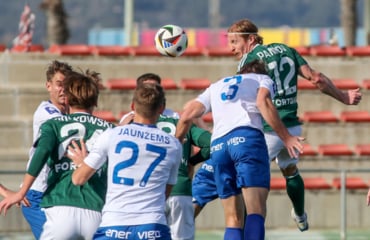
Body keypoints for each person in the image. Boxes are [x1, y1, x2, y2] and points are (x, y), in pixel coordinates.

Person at [227, 18, 362, 232]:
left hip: (268, 129)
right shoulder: (287, 50)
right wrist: (344, 96)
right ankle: (300, 214)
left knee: (246, 184)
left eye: (235, 42)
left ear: (251, 39)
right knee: (290, 171)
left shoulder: (249, 60)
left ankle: (245, 232)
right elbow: (316, 78)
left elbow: (245, 97)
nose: (231, 48)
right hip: (292, 128)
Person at [175, 60, 304, 240]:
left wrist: (175, 146)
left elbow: (188, 113)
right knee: (255, 212)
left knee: (233, 219)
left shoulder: (217, 85)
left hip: (218, 145)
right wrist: (286, 137)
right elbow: (262, 102)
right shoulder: (262, 79)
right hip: (247, 139)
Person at [0, 69, 114, 239]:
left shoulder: (54, 124)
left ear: (67, 98)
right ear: (96, 101)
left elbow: (42, 152)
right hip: (95, 207)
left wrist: (21, 191)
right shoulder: (111, 130)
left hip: (60, 205)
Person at [68, 83, 183, 240]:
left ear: (132, 106)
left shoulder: (112, 135)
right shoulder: (173, 144)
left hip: (114, 224)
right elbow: (165, 192)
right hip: (153, 225)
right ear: (161, 109)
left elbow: (78, 179)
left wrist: (83, 162)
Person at [119, 73, 212, 240]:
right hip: (179, 189)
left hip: (148, 192)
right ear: (161, 104)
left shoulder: (132, 125)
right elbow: (211, 143)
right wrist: (191, 161)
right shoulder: (178, 122)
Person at [0, 60, 73, 239]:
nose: (63, 89)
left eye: (68, 85)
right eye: (59, 84)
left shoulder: (69, 114)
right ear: (48, 86)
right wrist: (11, 191)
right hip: (38, 196)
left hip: (58, 195)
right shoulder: (46, 113)